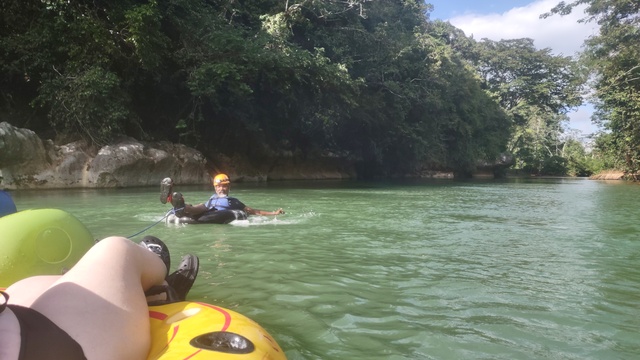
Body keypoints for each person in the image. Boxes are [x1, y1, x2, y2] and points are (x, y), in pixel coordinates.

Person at [0, 235, 198, 360]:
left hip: (17, 329)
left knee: (25, 285)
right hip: (52, 349)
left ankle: (98, 276)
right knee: (116, 247)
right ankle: (153, 275)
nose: (222, 187)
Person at [160, 173, 285, 219]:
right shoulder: (212, 198)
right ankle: (174, 201)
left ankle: (178, 205)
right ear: (215, 187)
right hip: (207, 207)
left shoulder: (233, 201)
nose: (222, 189)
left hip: (217, 212)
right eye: (219, 186)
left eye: (224, 186)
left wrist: (273, 213)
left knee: (196, 209)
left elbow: (253, 211)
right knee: (195, 208)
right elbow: (203, 207)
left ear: (229, 188)